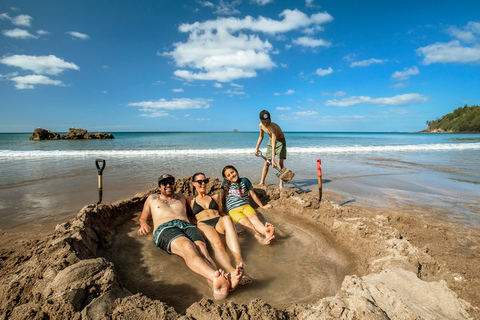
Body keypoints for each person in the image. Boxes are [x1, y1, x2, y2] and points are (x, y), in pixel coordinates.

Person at [137, 173, 245, 299]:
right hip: (165, 227)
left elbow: (197, 211)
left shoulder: (181, 197)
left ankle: (219, 289)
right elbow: (143, 219)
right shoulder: (152, 199)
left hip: (187, 226)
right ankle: (216, 277)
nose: (168, 185)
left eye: (171, 182)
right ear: (159, 187)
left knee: (204, 252)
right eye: (164, 183)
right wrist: (144, 225)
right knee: (187, 246)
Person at [188, 172, 252, 285]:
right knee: (217, 243)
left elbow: (222, 212)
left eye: (205, 181)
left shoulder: (215, 197)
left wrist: (233, 227)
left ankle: (239, 261)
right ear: (194, 183)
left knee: (227, 218)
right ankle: (231, 270)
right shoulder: (190, 200)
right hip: (203, 223)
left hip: (218, 220)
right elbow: (187, 216)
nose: (203, 183)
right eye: (199, 181)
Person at [222, 165, 275, 245]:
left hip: (246, 206)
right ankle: (260, 239)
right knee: (246, 223)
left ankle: (265, 231)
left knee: (254, 218)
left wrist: (262, 206)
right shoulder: (225, 184)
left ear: (236, 170)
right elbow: (223, 196)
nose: (232, 175)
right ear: (226, 178)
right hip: (233, 210)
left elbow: (253, 195)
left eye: (232, 172)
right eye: (228, 175)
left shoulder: (244, 181)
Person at [254, 110, 287, 189]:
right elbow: (261, 137)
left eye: (267, 122)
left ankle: (281, 185)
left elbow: (274, 144)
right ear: (260, 120)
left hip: (280, 142)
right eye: (264, 122)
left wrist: (273, 159)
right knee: (266, 163)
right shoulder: (261, 126)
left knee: (280, 163)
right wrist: (257, 148)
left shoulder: (273, 127)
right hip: (271, 140)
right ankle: (262, 182)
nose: (266, 124)